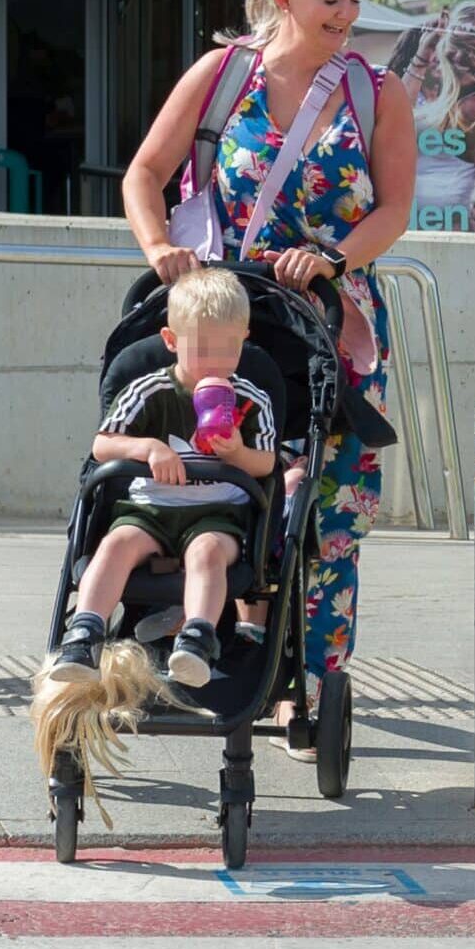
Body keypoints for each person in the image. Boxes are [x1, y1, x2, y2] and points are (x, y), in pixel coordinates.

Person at [120, 0, 415, 754]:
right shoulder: (221, 77)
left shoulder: (376, 93)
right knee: (224, 481)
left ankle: (309, 686)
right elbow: (144, 172)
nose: (348, 13)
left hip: (331, 324)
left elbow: (392, 207)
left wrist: (331, 255)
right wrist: (161, 253)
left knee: (330, 503)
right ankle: (225, 641)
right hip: (218, 326)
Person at [49, 268, 278, 688]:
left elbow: (267, 464)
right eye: (202, 349)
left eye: (228, 349)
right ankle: (84, 632)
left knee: (208, 553)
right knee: (116, 544)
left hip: (216, 511)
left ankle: (196, 639)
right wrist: (147, 448)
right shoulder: (148, 389)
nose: (215, 361)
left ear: (244, 339)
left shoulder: (251, 398)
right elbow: (103, 445)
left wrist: (237, 453)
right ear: (171, 342)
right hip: (150, 506)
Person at [391, 3, 475, 231]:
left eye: (474, 48)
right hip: (398, 228)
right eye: (456, 41)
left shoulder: (474, 109)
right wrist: (421, 57)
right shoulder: (431, 98)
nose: (460, 56)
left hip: (441, 229)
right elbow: (393, 124)